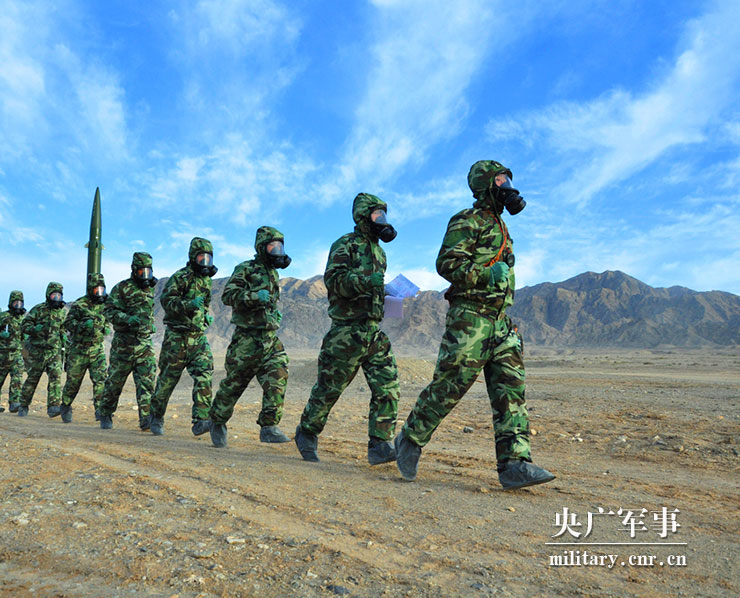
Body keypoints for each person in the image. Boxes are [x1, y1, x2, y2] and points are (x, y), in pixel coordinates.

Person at [394, 160, 555, 490]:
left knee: (510, 393)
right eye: (501, 179)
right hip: (471, 319)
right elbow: (446, 263)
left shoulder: (501, 227)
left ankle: (514, 464)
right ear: (486, 184)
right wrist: (485, 274)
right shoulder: (467, 220)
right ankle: (409, 439)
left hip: (500, 322)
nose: (508, 183)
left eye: (509, 177)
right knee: (449, 387)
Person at [295, 193, 401, 465]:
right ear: (364, 216)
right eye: (378, 215)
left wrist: (392, 298)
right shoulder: (345, 244)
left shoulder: (380, 251)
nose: (383, 220)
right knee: (329, 389)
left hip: (374, 331)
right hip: (347, 332)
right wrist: (368, 281)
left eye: (384, 215)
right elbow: (336, 281)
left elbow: (374, 287)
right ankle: (306, 432)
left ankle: (379, 444)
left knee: (387, 387)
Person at [209, 226, 292, 447]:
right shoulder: (245, 268)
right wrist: (254, 296)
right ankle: (217, 421)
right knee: (234, 385)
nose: (277, 250)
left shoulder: (273, 273)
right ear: (262, 247)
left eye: (280, 246)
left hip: (270, 339)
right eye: (273, 246)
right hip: (247, 340)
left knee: (278, 376)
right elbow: (228, 295)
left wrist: (274, 315)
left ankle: (269, 426)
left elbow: (269, 303)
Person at [149, 237, 216, 436]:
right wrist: (187, 305)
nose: (205, 262)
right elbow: (166, 300)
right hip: (177, 339)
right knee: (167, 381)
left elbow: (204, 303)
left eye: (208, 258)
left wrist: (204, 316)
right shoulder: (180, 277)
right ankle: (156, 416)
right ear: (193, 257)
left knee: (205, 375)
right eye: (201, 257)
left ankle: (201, 420)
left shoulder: (206, 280)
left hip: (198, 338)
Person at [97, 253, 158, 430]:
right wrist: (127, 318)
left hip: (144, 345)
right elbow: (109, 311)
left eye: (148, 271)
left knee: (146, 383)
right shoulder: (121, 288)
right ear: (134, 270)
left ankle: (146, 418)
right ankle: (106, 413)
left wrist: (150, 325)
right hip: (123, 346)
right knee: (114, 383)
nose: (145, 275)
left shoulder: (151, 289)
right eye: (142, 271)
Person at [61, 273, 110, 424]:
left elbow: (109, 319)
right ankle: (66, 406)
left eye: (102, 289)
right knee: (73, 382)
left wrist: (105, 327)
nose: (100, 293)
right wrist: (83, 326)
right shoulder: (79, 304)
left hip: (97, 349)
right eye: (97, 290)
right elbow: (68, 323)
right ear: (91, 289)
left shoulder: (106, 304)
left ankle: (101, 412)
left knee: (101, 380)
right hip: (79, 350)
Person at [19, 282, 67, 417]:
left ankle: (53, 406)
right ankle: (23, 405)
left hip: (54, 351)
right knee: (33, 379)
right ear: (48, 295)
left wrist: (63, 335)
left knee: (56, 377)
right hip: (38, 351)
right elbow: (25, 325)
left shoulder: (62, 312)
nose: (56, 298)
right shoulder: (38, 309)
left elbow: (63, 327)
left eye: (59, 295)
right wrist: (34, 329)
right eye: (54, 295)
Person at [0, 290, 27, 412]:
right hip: (2, 354)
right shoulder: (2, 317)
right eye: (15, 303)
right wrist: (0, 335)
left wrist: (25, 336)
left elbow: (25, 331)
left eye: (20, 303)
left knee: (17, 378)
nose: (18, 306)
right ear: (10, 303)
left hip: (16, 353)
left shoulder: (22, 318)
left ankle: (14, 402)